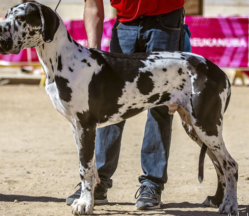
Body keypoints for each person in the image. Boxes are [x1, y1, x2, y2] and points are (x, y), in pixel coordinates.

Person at [66, 0, 188, 210]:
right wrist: (93, 52)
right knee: (108, 104)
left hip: (166, 22)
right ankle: (98, 183)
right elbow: (93, 5)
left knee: (160, 106)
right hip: (125, 25)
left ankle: (152, 184)